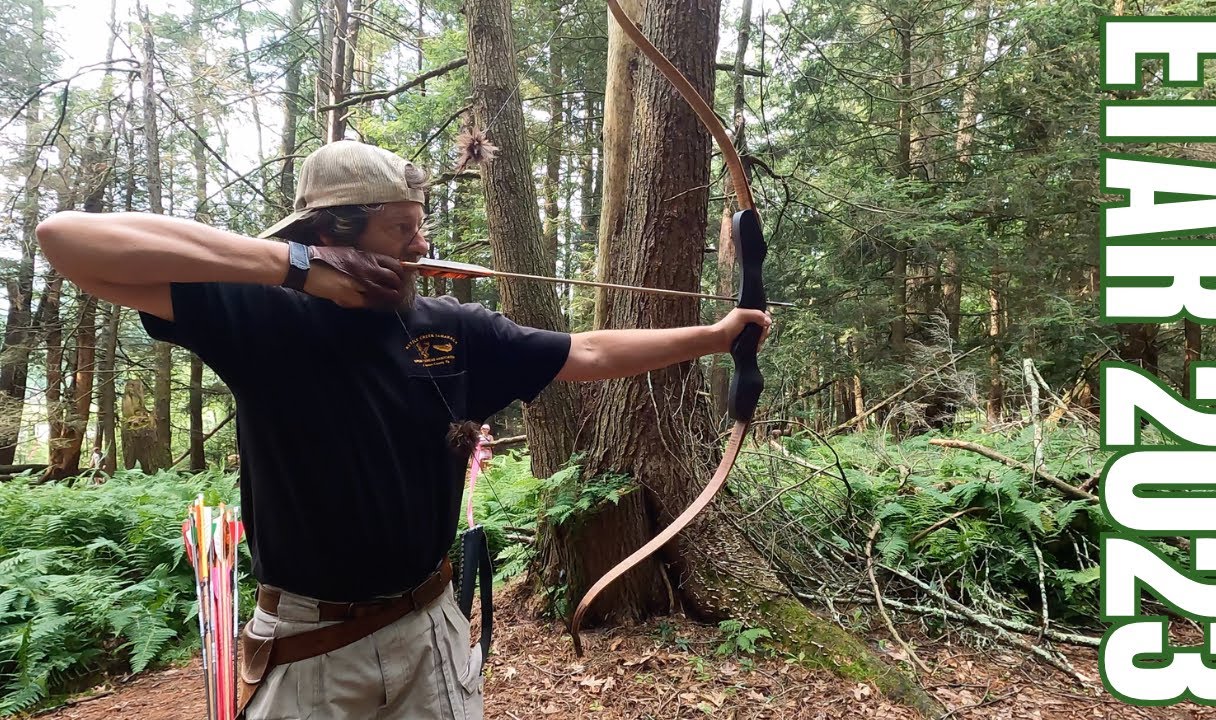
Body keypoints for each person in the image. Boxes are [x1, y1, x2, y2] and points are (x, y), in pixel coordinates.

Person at [35, 140, 770, 720]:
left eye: (421, 226)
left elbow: (587, 351)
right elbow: (65, 239)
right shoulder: (257, 315)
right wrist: (294, 269)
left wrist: (715, 336)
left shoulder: (452, 328)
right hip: (309, 647)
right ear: (335, 232)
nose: (421, 245)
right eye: (402, 228)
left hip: (429, 632)